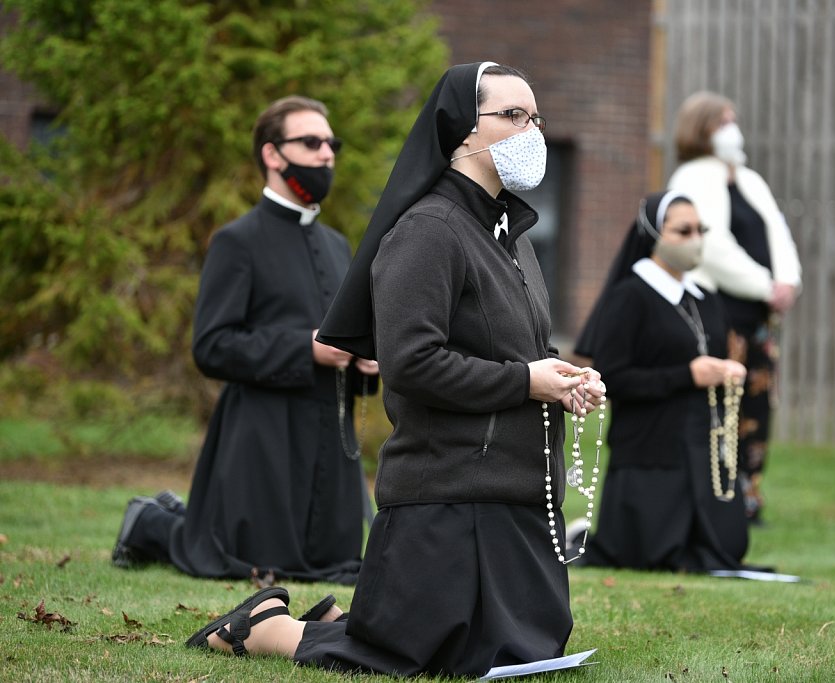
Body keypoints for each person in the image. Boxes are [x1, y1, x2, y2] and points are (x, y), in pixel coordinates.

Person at [181, 62, 606, 678]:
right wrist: (526, 381)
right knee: (412, 657)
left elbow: (516, 351)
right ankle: (271, 629)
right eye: (514, 116)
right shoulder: (428, 230)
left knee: (526, 653)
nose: (531, 130)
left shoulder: (512, 238)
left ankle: (340, 619)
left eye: (535, 117)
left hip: (519, 498)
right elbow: (411, 364)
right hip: (448, 497)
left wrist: (561, 378)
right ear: (464, 131)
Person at [111, 95, 379, 585]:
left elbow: (341, 339)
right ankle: (149, 522)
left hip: (327, 433)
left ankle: (171, 517)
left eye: (331, 143)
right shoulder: (238, 240)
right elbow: (211, 345)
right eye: (312, 142)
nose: (327, 154)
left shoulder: (338, 245)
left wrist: (362, 361)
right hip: (262, 436)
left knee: (333, 566)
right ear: (273, 155)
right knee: (237, 559)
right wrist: (306, 348)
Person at [572, 191, 749, 572]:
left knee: (725, 550)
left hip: (701, 445)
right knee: (653, 555)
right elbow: (612, 379)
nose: (695, 239)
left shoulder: (705, 298)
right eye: (683, 231)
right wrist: (687, 375)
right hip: (650, 450)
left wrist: (727, 372)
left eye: (700, 230)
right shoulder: (630, 297)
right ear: (654, 233)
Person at [666, 92, 802, 524]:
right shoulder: (693, 178)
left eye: (733, 119)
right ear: (702, 128)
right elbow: (711, 247)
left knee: (757, 408)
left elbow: (777, 232)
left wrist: (786, 282)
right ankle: (718, 494)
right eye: (723, 120)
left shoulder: (749, 180)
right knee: (721, 404)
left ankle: (749, 496)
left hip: (759, 319)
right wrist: (764, 284)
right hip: (721, 313)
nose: (732, 127)